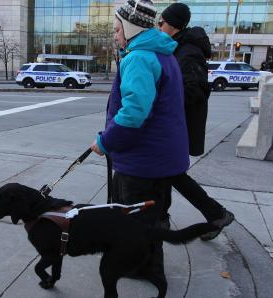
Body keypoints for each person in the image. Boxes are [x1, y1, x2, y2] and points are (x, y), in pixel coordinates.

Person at [90, 0, 190, 290]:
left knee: (134, 219)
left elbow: (134, 113)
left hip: (141, 161)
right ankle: (151, 265)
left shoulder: (138, 57)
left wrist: (105, 142)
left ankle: (143, 267)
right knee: (153, 217)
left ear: (131, 28)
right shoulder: (162, 53)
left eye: (117, 28)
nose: (115, 35)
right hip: (161, 157)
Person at [158, 2, 234, 241]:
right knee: (168, 174)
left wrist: (165, 99)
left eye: (161, 22)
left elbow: (197, 90)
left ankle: (214, 214)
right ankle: (214, 214)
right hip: (174, 124)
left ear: (172, 25)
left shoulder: (188, 51)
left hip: (179, 125)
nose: (159, 26)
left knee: (169, 173)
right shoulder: (179, 47)